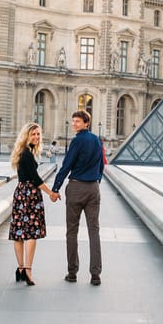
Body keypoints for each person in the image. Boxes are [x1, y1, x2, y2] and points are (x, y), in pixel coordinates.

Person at [53, 111, 105, 285]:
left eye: (77, 121)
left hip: (76, 187)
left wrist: (55, 188)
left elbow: (66, 165)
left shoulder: (77, 141)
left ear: (86, 123)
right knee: (94, 232)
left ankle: (72, 272)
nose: (74, 124)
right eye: (73, 121)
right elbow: (101, 165)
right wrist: (97, 179)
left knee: (72, 232)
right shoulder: (98, 141)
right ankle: (95, 274)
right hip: (93, 189)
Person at [9, 123, 60, 286]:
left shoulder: (24, 152)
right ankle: (28, 270)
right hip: (30, 195)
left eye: (38, 134)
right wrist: (51, 193)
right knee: (31, 233)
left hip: (20, 193)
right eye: (34, 134)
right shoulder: (27, 154)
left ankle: (20, 268)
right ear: (27, 135)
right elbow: (36, 179)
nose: (37, 137)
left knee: (19, 232)